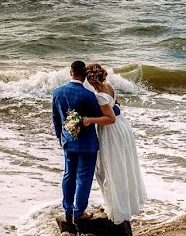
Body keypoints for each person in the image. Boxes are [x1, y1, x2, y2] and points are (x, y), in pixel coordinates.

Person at [52, 60, 117, 222]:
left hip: (68, 141)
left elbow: (55, 117)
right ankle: (79, 212)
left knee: (68, 175)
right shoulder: (88, 96)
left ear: (71, 72)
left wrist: (59, 136)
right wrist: (116, 106)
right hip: (87, 144)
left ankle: (68, 209)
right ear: (85, 75)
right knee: (84, 177)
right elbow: (105, 114)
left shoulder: (57, 92)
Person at [85, 63, 148, 224]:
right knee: (119, 165)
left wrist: (89, 120)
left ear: (91, 79)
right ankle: (115, 203)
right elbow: (117, 105)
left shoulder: (99, 95)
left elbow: (110, 118)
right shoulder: (109, 86)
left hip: (111, 131)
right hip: (123, 126)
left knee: (109, 168)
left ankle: (116, 207)